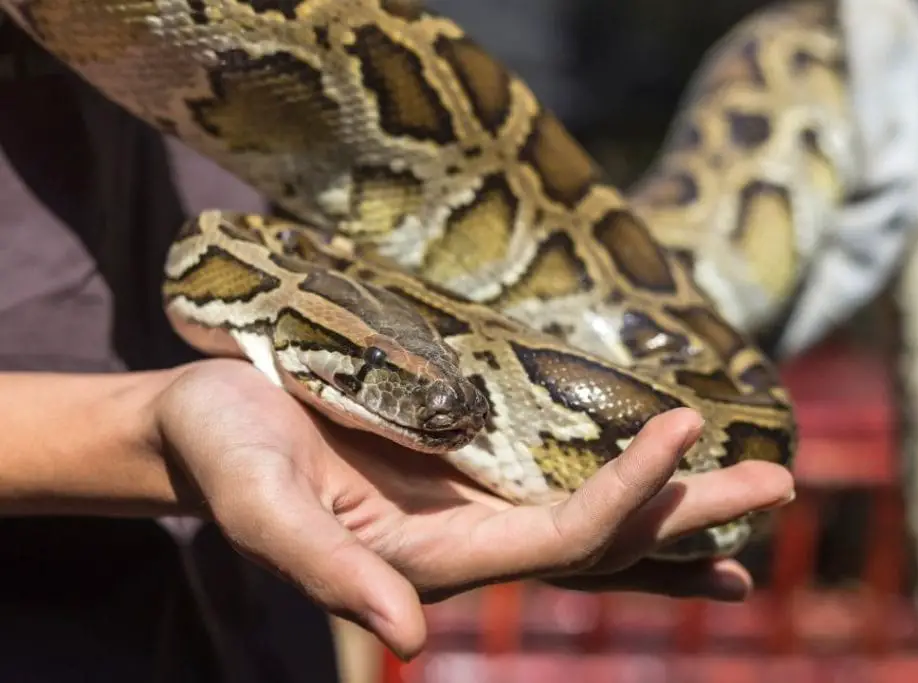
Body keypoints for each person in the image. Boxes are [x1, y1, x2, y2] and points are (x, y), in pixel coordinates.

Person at [0, 15, 795, 683]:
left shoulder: (267, 266)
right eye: (383, 369)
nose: (452, 399)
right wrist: (141, 431)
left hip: (246, 631)